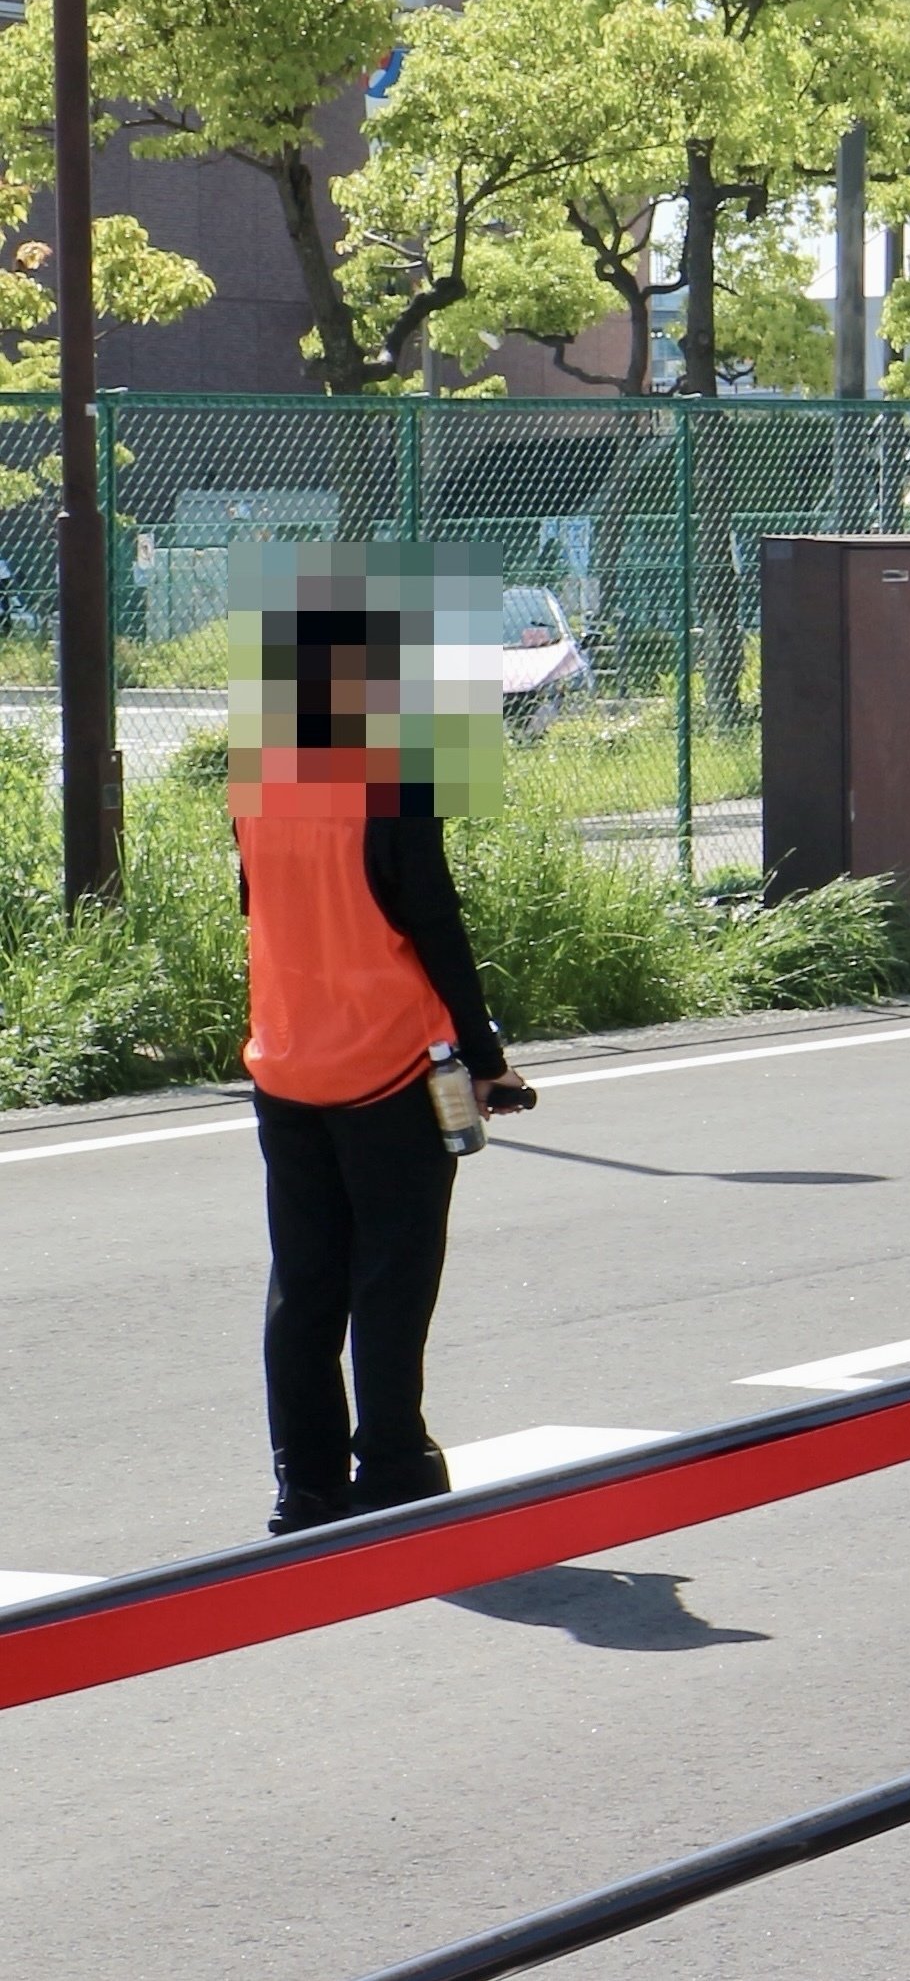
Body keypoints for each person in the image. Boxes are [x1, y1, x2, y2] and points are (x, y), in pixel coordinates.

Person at [241, 603, 528, 1532]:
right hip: (390, 1062)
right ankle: (396, 1462)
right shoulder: (394, 786)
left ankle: (306, 1481)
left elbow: (260, 904)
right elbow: (433, 922)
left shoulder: (261, 784)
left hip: (286, 1061)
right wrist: (487, 1059)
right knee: (393, 1272)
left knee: (305, 1277)